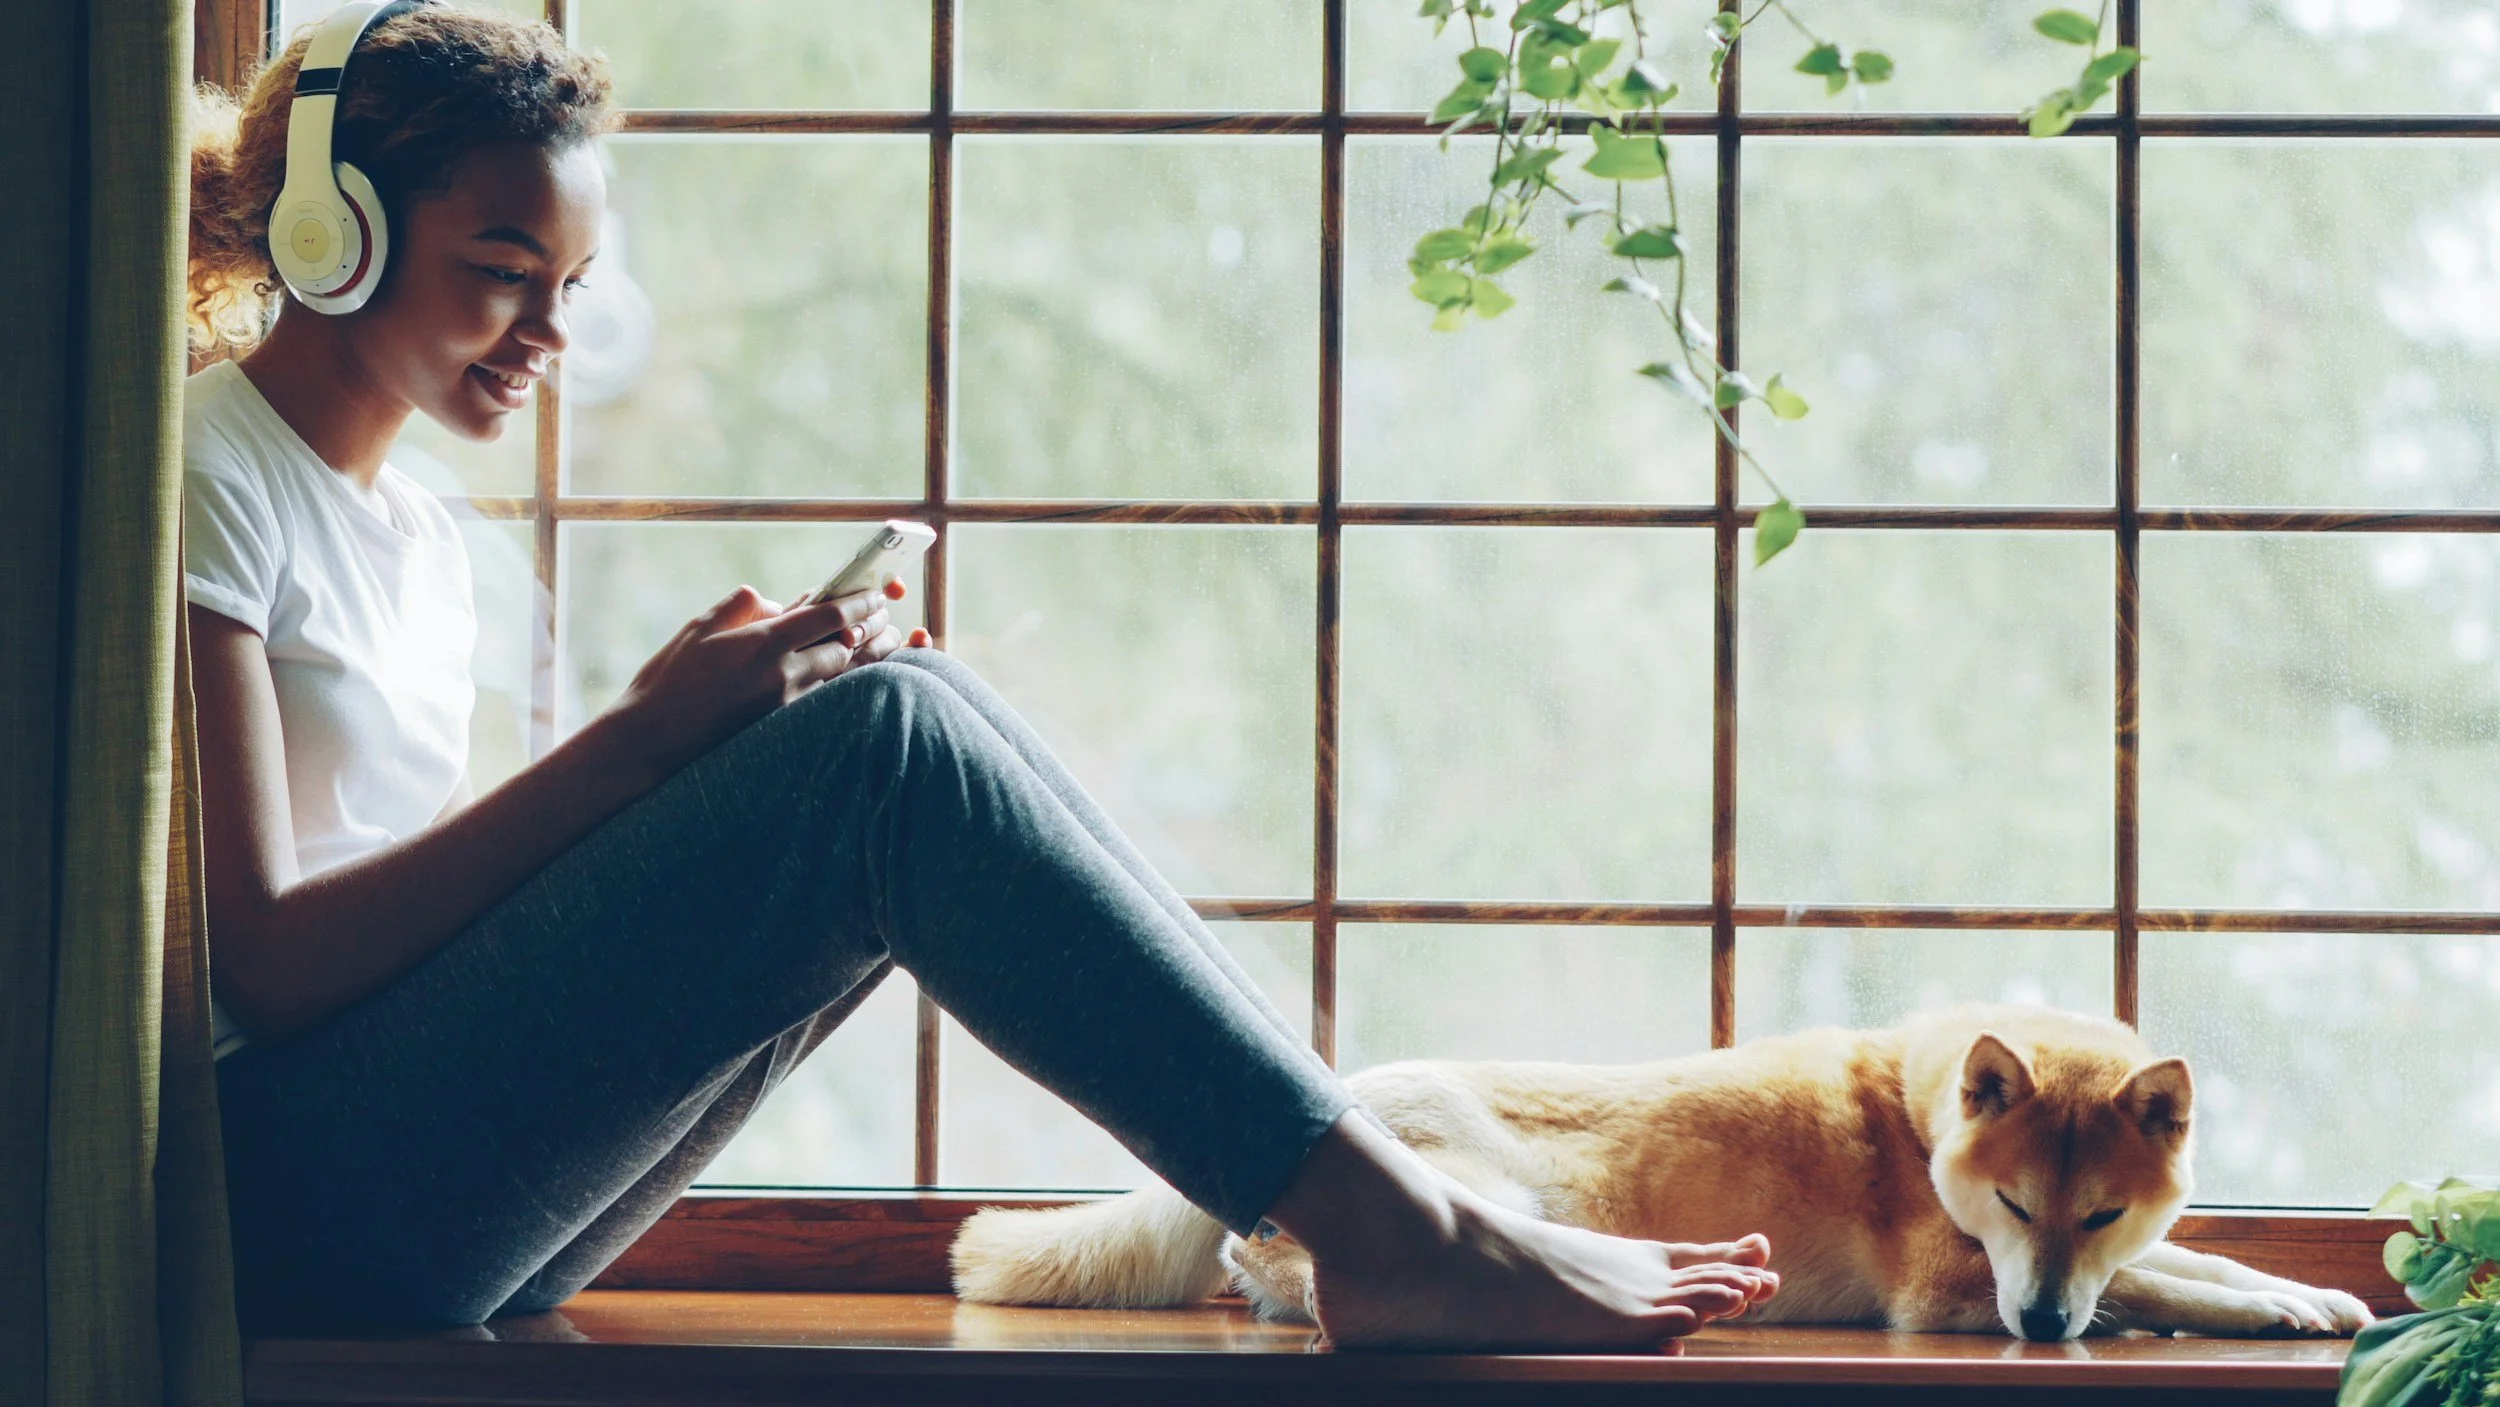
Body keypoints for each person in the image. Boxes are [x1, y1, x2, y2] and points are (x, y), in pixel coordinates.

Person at [182, 4, 1779, 1348]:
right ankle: (1390, 1224)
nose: (547, 332)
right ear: (338, 234)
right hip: (289, 1198)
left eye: (571, 290)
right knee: (882, 750)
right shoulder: (198, 476)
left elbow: (433, 909)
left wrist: (695, 744)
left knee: (900, 715)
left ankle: (1379, 1203)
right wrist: (644, 745)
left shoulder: (417, 535)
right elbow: (266, 964)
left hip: (425, 1183)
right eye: (504, 268)